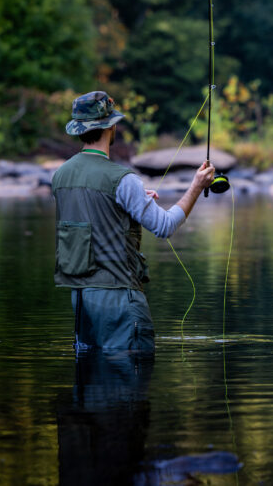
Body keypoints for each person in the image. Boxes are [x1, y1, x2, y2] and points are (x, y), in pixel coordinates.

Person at [51, 90, 215, 352]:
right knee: (130, 381)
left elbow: (90, 218)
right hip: (119, 300)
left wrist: (130, 203)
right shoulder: (122, 178)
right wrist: (196, 187)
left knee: (92, 380)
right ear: (110, 127)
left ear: (79, 129)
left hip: (81, 299)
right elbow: (164, 226)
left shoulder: (60, 175)